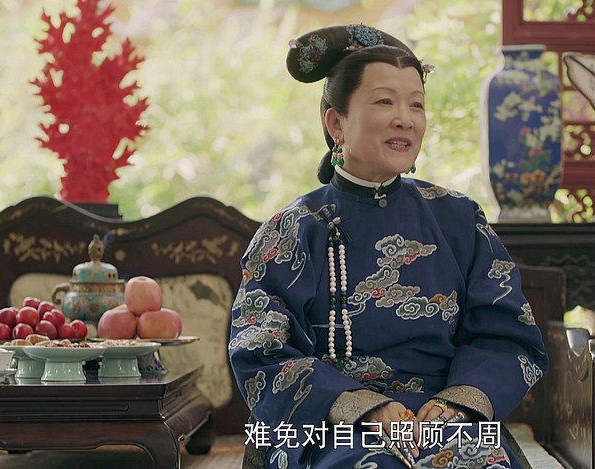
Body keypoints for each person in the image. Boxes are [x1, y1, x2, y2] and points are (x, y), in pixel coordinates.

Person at [228, 24, 548, 469]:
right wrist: (364, 407)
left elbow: (508, 334)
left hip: (446, 419)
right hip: (328, 424)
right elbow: (260, 350)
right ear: (336, 123)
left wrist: (456, 405)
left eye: (416, 104)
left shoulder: (459, 219)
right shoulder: (291, 230)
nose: (405, 118)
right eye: (384, 102)